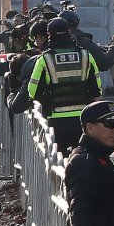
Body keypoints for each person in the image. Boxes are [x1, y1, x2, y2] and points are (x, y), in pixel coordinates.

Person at [8, 17, 102, 153]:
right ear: (69, 32)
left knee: (57, 162)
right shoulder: (86, 56)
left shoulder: (44, 59)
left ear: (49, 35)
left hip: (56, 121)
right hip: (82, 120)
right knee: (81, 157)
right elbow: (97, 90)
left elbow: (32, 92)